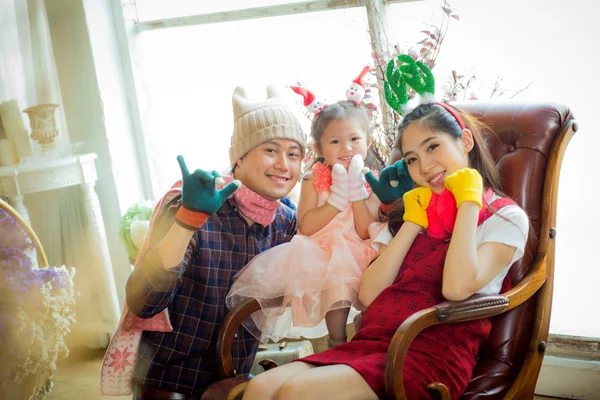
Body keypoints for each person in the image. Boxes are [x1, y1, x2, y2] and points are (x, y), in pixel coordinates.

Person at [241, 101, 530, 400]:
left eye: (433, 147)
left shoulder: (504, 218)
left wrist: (469, 200)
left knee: (295, 393)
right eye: (412, 159)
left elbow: (456, 288)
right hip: (374, 342)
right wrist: (413, 222)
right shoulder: (414, 210)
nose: (425, 167)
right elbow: (369, 295)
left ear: (465, 141)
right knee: (260, 387)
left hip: (432, 352)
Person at [101, 85, 307, 399]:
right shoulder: (198, 203)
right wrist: (187, 220)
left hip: (232, 375)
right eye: (270, 150)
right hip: (170, 379)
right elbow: (144, 303)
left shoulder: (284, 222)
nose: (283, 164)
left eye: (293, 154)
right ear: (239, 155)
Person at [226, 100, 386, 349]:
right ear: (318, 148)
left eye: (354, 139)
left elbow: (367, 231)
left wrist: (356, 193)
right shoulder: (314, 178)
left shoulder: (372, 182)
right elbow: (308, 226)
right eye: (334, 141)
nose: (346, 147)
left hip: (360, 250)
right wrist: (335, 200)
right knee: (338, 281)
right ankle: (337, 342)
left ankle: (365, 342)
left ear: (369, 142)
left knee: (374, 285)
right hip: (320, 250)